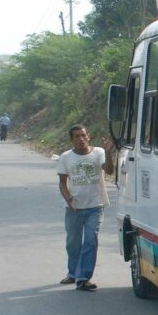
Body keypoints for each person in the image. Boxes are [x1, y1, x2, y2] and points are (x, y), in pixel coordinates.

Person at [56, 124, 114, 291]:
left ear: (88, 136)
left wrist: (109, 152)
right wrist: (68, 199)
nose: (81, 139)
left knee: (90, 241)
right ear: (71, 140)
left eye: (83, 135)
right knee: (73, 243)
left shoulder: (99, 153)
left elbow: (109, 171)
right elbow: (62, 182)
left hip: (95, 205)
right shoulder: (66, 157)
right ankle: (73, 273)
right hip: (74, 207)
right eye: (76, 136)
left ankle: (83, 278)